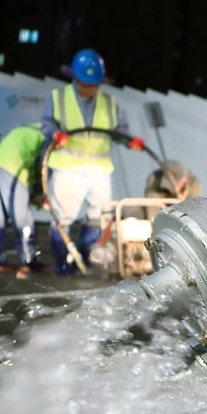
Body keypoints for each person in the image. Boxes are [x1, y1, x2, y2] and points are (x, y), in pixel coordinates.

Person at [40, 47, 145, 275]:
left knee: (99, 218)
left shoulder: (109, 103)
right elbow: (47, 124)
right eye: (85, 84)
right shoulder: (59, 98)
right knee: (62, 217)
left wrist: (131, 141)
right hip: (68, 167)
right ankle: (62, 264)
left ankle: (86, 259)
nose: (90, 88)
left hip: (99, 170)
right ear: (75, 79)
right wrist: (55, 135)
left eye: (94, 84)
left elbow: (121, 131)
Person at [0, 122, 46, 277]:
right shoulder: (45, 137)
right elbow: (41, 168)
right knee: (23, 219)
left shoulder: (24, 130)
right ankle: (28, 261)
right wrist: (39, 194)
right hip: (13, 169)